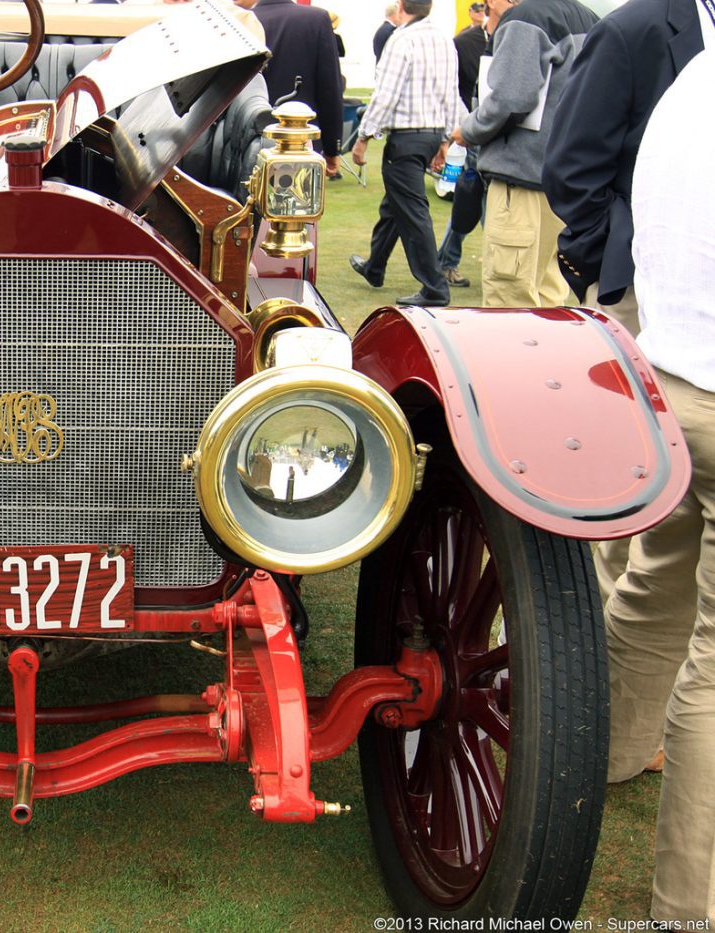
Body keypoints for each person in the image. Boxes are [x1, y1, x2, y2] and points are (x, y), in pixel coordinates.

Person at [542, 0, 709, 608]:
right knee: (631, 479)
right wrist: (614, 261)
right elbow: (572, 163)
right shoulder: (633, 29)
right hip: (637, 288)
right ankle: (599, 627)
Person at [603, 46, 715, 927]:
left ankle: (600, 755)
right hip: (691, 366)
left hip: (672, 376)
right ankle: (691, 904)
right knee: (713, 664)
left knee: (654, 585)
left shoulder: (692, 84)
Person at [448, 0, 596, 307]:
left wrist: (469, 129)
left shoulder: (528, 16)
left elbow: (512, 97)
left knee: (509, 300)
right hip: (563, 182)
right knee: (549, 297)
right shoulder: (588, 17)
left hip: (522, 179)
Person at [349, 0, 466, 307]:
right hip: (430, 134)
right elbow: (451, 93)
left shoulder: (400, 39)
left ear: (401, 6)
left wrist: (363, 136)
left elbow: (386, 94)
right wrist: (444, 139)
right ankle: (375, 266)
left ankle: (434, 287)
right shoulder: (443, 39)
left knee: (412, 212)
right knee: (395, 205)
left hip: (405, 138)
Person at [235, 0, 343, 177]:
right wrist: (332, 148)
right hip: (299, 143)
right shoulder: (316, 19)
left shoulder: (241, 20)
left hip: (246, 142)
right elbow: (329, 90)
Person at [435, 0, 489, 288]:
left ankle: (446, 260)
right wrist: (460, 128)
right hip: (475, 129)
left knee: (476, 200)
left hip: (483, 130)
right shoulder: (464, 42)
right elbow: (453, 88)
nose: (481, 12)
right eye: (478, 7)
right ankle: (446, 261)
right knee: (473, 199)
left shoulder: (492, 38)